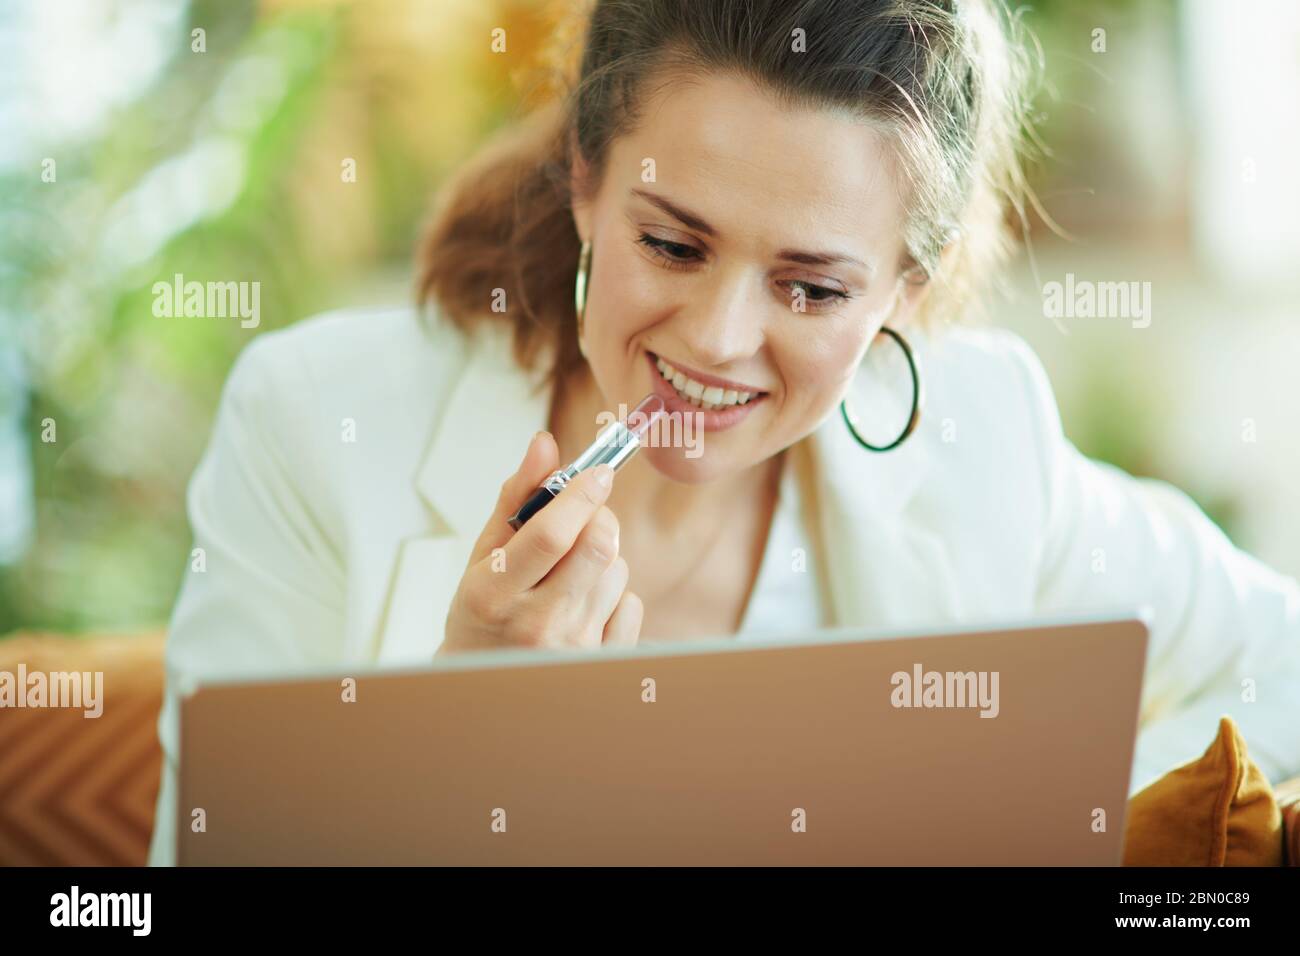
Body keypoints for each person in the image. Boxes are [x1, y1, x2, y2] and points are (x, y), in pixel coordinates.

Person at [147, 0, 1300, 865]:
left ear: (906, 286)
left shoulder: (988, 438)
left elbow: (1280, 663)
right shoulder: (314, 422)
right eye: (674, 245)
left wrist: (1091, 817)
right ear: (585, 180)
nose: (716, 337)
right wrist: (455, 735)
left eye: (810, 288)